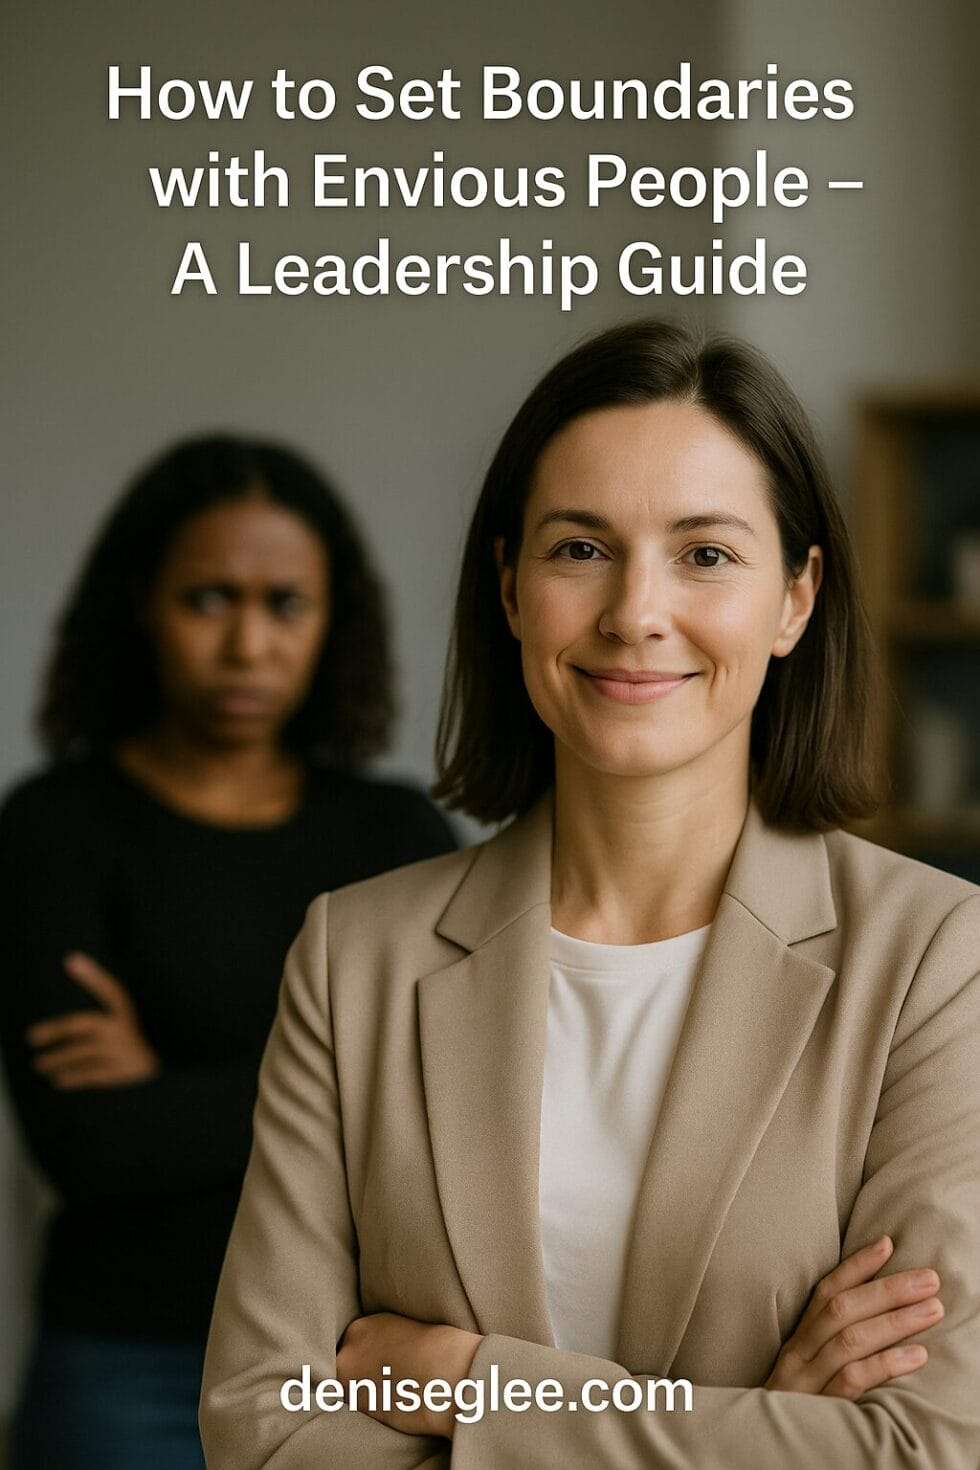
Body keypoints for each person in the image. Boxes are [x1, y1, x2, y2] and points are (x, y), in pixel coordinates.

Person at [199, 323, 980, 1468]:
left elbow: (922, 1448)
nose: (632, 611)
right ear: (509, 587)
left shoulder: (928, 957)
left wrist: (477, 1386)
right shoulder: (354, 953)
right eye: (579, 549)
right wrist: (758, 1421)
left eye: (704, 555)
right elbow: (263, 1429)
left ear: (794, 600)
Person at [0, 432, 457, 1470]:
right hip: (126, 1365)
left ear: (332, 622)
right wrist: (345, 1093)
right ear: (140, 608)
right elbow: (85, 1144)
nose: (249, 645)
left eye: (284, 605)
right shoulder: (57, 825)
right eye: (209, 599)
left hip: (352, 1364)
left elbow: (457, 1111)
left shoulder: (391, 836)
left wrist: (170, 1089)